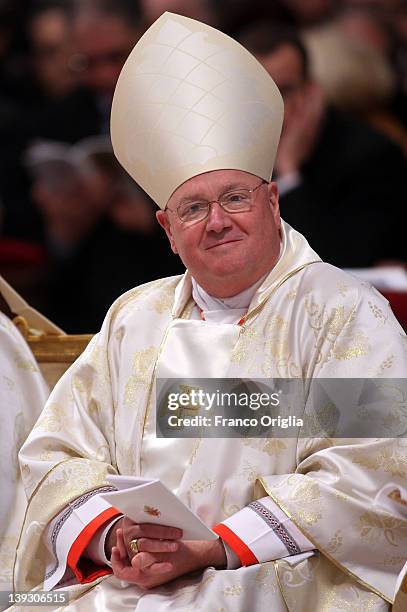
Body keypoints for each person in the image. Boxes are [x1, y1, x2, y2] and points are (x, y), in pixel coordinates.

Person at [14, 13, 407, 611]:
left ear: (272, 202)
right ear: (168, 231)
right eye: (193, 208)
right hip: (125, 582)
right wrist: (113, 536)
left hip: (268, 579)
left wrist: (214, 547)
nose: (218, 221)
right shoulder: (134, 319)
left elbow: (375, 473)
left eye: (234, 197)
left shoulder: (342, 313)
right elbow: (57, 456)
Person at [239, 22, 407, 268]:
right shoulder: (228, 152)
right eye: (256, 93)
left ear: (311, 93)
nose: (270, 107)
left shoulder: (371, 158)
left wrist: (289, 174)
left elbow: (335, 267)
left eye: (283, 91)